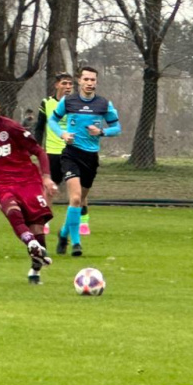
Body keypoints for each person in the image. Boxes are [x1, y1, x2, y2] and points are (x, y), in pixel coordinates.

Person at [0, 90, 57, 284]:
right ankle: (31, 243)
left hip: (28, 181)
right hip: (3, 186)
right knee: (13, 212)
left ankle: (35, 270)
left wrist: (46, 178)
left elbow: (39, 151)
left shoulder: (11, 128)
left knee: (37, 227)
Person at [48, 65, 121, 257]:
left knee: (78, 202)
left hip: (91, 158)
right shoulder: (68, 101)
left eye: (93, 80)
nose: (89, 83)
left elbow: (117, 128)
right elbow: (52, 121)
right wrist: (63, 134)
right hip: (71, 154)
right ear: (79, 81)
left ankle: (63, 233)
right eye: (86, 79)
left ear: (96, 82)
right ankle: (76, 243)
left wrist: (102, 132)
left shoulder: (104, 104)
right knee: (75, 198)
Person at [33, 72, 74, 231]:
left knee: (74, 188)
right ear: (57, 85)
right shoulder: (47, 103)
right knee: (49, 188)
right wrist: (37, 148)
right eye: (64, 83)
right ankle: (46, 220)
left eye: (70, 84)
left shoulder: (75, 104)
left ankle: (74, 222)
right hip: (52, 151)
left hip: (71, 152)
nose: (68, 87)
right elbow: (39, 128)